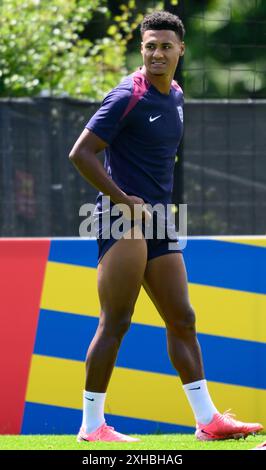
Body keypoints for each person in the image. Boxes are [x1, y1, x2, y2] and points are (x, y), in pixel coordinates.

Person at [69, 11, 263, 443]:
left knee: (183, 318)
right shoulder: (127, 94)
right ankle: (91, 426)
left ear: (181, 50)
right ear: (142, 49)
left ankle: (208, 421)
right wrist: (123, 201)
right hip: (121, 217)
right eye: (150, 45)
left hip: (159, 219)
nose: (157, 53)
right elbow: (80, 154)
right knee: (116, 321)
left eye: (165, 46)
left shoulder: (175, 93)